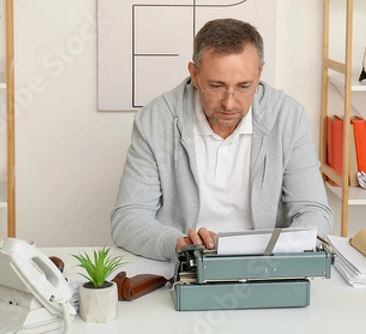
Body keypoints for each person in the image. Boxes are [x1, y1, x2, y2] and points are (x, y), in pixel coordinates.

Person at [110, 18, 332, 261]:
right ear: (194, 75)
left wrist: (272, 252)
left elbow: (315, 213)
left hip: (265, 265)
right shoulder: (155, 120)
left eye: (244, 86)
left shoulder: (288, 117)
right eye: (216, 86)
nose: (229, 102)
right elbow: (128, 219)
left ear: (259, 73)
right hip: (187, 263)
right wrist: (181, 245)